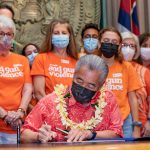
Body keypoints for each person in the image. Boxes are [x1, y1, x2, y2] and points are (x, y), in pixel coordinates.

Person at [21, 54, 123, 143]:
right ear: (73, 75)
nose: (83, 88)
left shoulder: (108, 99)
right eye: (79, 80)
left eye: (91, 85)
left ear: (101, 86)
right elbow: (23, 135)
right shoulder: (50, 102)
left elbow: (117, 133)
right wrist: (38, 136)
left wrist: (90, 134)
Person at [99, 27, 142, 138]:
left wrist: (136, 126)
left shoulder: (127, 67)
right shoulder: (91, 64)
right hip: (98, 122)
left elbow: (132, 98)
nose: (110, 44)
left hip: (124, 121)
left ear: (119, 47)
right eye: (106, 41)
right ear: (99, 43)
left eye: (114, 42)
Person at [0, 15, 32, 144]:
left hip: (16, 125)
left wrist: (20, 112)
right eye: (1, 33)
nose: (5, 38)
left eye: (9, 34)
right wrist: (5, 116)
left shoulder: (22, 60)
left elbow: (28, 88)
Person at [31, 19, 78, 101]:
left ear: (70, 36)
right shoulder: (41, 58)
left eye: (64, 33)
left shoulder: (77, 61)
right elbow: (38, 92)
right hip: (48, 109)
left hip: (72, 109)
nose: (60, 36)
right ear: (50, 36)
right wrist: (55, 110)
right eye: (56, 33)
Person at [121, 32, 150, 137]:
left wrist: (149, 121)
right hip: (118, 123)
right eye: (124, 45)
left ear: (136, 50)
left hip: (143, 125)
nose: (128, 49)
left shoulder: (143, 71)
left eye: (132, 46)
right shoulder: (112, 67)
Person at [22, 43, 40, 112]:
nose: (33, 55)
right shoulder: (23, 75)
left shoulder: (49, 72)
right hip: (31, 113)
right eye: (29, 54)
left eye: (35, 52)